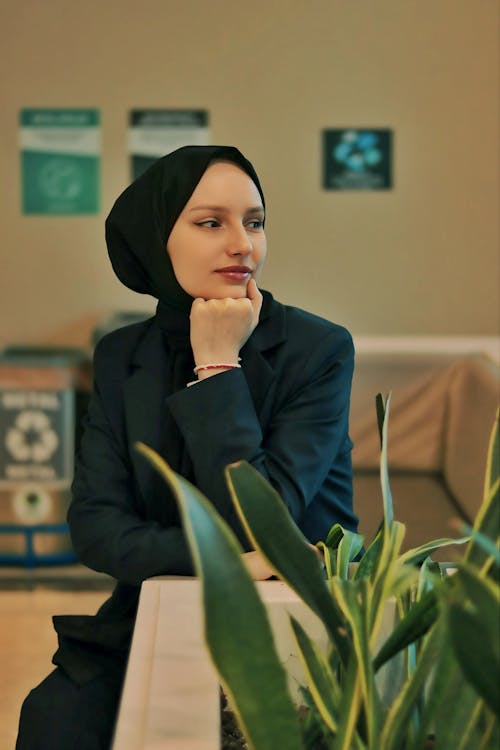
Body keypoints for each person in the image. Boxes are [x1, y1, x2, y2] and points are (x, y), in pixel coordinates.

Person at [16, 145, 358, 749]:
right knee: (55, 720)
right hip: (153, 613)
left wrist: (218, 365)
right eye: (210, 223)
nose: (242, 244)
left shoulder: (318, 350)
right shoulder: (123, 355)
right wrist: (221, 565)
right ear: (157, 240)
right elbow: (95, 528)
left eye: (254, 222)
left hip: (292, 624)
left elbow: (265, 524)